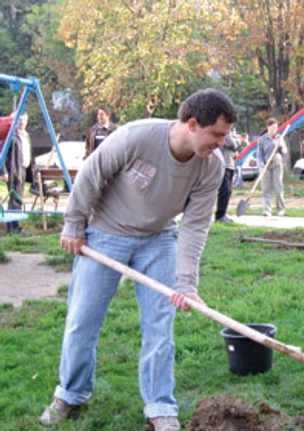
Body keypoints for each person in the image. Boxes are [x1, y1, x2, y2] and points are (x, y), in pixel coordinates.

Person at [39, 89, 238, 431]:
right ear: (192, 124)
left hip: (159, 239)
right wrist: (74, 224)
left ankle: (160, 406)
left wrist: (186, 283)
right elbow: (91, 173)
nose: (222, 143)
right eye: (217, 134)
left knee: (160, 328)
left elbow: (194, 227)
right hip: (105, 232)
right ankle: (70, 393)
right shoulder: (137, 136)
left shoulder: (211, 167)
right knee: (81, 320)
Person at [0, 112, 30, 235]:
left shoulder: (25, 135)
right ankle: (15, 227)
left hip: (22, 169)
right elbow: (1, 154)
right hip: (13, 170)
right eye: (19, 120)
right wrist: (3, 172)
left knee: (18, 198)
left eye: (23, 120)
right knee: (15, 199)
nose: (21, 122)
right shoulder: (10, 135)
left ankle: (12, 226)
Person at [256, 118, 287, 216]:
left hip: (277, 164)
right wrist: (261, 166)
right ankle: (267, 210)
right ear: (268, 127)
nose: (274, 130)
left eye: (276, 128)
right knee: (266, 188)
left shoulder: (279, 138)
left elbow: (285, 152)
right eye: (272, 127)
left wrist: (281, 146)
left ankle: (280, 209)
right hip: (266, 166)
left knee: (278, 187)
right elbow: (259, 155)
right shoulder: (262, 139)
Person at [214, 127, 243, 222]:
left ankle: (223, 214)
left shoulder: (231, 132)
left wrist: (236, 138)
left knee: (228, 191)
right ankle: (220, 215)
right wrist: (236, 138)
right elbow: (233, 144)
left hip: (231, 164)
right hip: (224, 164)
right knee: (225, 190)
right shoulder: (224, 131)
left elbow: (239, 141)